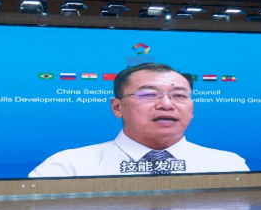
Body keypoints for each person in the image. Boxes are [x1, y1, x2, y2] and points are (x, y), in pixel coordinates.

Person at [29, 63, 249, 177]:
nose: (166, 104)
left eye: (179, 96)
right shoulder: (67, 167)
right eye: (149, 94)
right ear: (117, 107)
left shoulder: (228, 165)